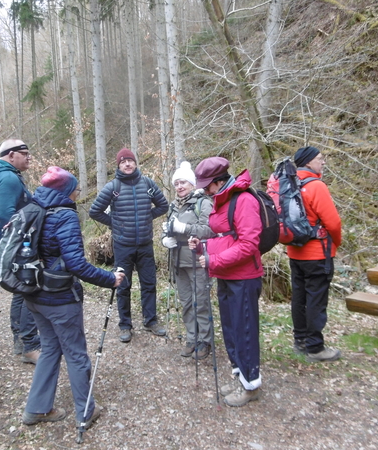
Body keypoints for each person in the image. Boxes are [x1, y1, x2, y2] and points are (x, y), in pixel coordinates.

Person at [21, 166, 125, 428]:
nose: (78, 194)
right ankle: (86, 411)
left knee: (50, 349)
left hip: (33, 294)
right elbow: (77, 264)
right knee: (76, 354)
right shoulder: (65, 215)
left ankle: (37, 408)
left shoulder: (32, 207)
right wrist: (110, 279)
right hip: (59, 298)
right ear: (66, 191)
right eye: (77, 190)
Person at [189, 156, 263, 407]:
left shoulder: (244, 201)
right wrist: (204, 247)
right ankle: (241, 377)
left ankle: (251, 385)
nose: (205, 190)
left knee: (245, 332)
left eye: (207, 185)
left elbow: (248, 245)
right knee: (231, 331)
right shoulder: (223, 201)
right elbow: (227, 237)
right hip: (227, 276)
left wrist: (212, 261)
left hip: (243, 278)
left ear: (219, 181)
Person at [89, 148, 169, 343]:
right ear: (118, 165)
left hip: (145, 245)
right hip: (123, 246)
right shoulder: (112, 187)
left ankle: (150, 321)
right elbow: (94, 211)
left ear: (135, 163)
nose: (127, 164)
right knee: (123, 285)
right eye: (123, 162)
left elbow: (163, 206)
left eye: (130, 161)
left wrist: (147, 218)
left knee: (149, 284)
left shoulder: (148, 184)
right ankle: (125, 324)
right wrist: (116, 223)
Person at [0, 138, 40, 364]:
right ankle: (28, 345)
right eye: (25, 153)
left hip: (11, 243)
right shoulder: (8, 178)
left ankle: (21, 342)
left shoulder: (1, 175)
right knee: (26, 289)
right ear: (11, 155)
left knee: (20, 290)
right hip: (16, 245)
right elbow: (8, 216)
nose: (29, 157)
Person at [288, 146, 342, 362]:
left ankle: (300, 341)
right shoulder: (316, 186)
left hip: (294, 250)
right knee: (316, 300)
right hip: (318, 254)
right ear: (309, 162)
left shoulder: (289, 183)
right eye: (320, 158)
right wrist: (336, 243)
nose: (323, 162)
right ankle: (315, 348)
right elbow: (333, 222)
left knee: (299, 298)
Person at [162, 161, 215, 359]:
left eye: (184, 182)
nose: (180, 186)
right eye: (177, 183)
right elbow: (168, 228)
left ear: (193, 184)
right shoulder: (173, 206)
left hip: (197, 260)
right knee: (186, 302)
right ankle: (192, 338)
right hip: (178, 261)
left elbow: (210, 229)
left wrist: (185, 229)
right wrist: (165, 239)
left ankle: (205, 340)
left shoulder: (203, 203)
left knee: (200, 301)